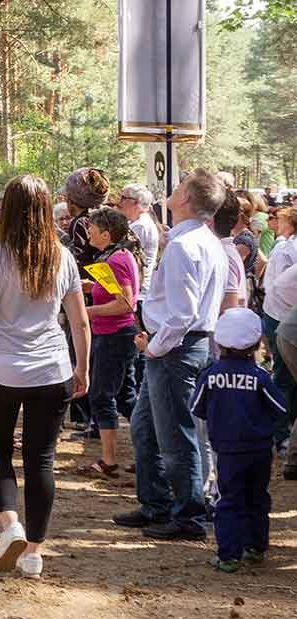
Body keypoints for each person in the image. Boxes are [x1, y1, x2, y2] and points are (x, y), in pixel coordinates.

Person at [0, 175, 91, 579]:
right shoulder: (62, 256)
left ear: (7, 210)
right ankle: (33, 553)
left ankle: (9, 525)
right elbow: (80, 321)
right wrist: (82, 368)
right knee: (41, 459)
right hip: (52, 369)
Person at [115, 169, 228, 541]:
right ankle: (157, 504)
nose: (173, 189)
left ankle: (188, 515)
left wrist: (156, 345)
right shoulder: (197, 239)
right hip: (177, 346)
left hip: (174, 349)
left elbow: (182, 313)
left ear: (186, 200)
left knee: (175, 434)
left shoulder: (184, 245)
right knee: (146, 427)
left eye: (179, 187)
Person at [191, 308, 287, 571]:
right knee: (257, 496)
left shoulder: (210, 375)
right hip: (259, 450)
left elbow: (196, 407)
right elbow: (280, 409)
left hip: (228, 451)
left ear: (219, 341)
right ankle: (256, 546)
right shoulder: (260, 377)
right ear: (257, 343)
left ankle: (229, 555)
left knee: (229, 499)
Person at [79, 207, 142, 478]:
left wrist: (87, 312)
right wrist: (87, 288)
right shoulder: (118, 255)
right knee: (127, 398)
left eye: (92, 228)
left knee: (102, 396)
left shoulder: (116, 260)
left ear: (106, 234)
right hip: (118, 335)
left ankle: (108, 460)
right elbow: (113, 291)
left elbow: (125, 303)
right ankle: (149, 453)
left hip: (114, 336)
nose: (88, 232)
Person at [119, 183, 162, 419]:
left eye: (123, 198)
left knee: (138, 351)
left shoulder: (139, 226)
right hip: (140, 292)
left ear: (135, 203)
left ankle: (140, 406)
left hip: (138, 294)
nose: (119, 203)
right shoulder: (141, 224)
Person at [260, 208, 296, 458]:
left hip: (279, 315)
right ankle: (280, 436)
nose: (276, 224)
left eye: (281, 220)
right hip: (280, 317)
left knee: (286, 378)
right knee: (283, 379)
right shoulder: (286, 248)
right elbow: (279, 286)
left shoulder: (287, 247)